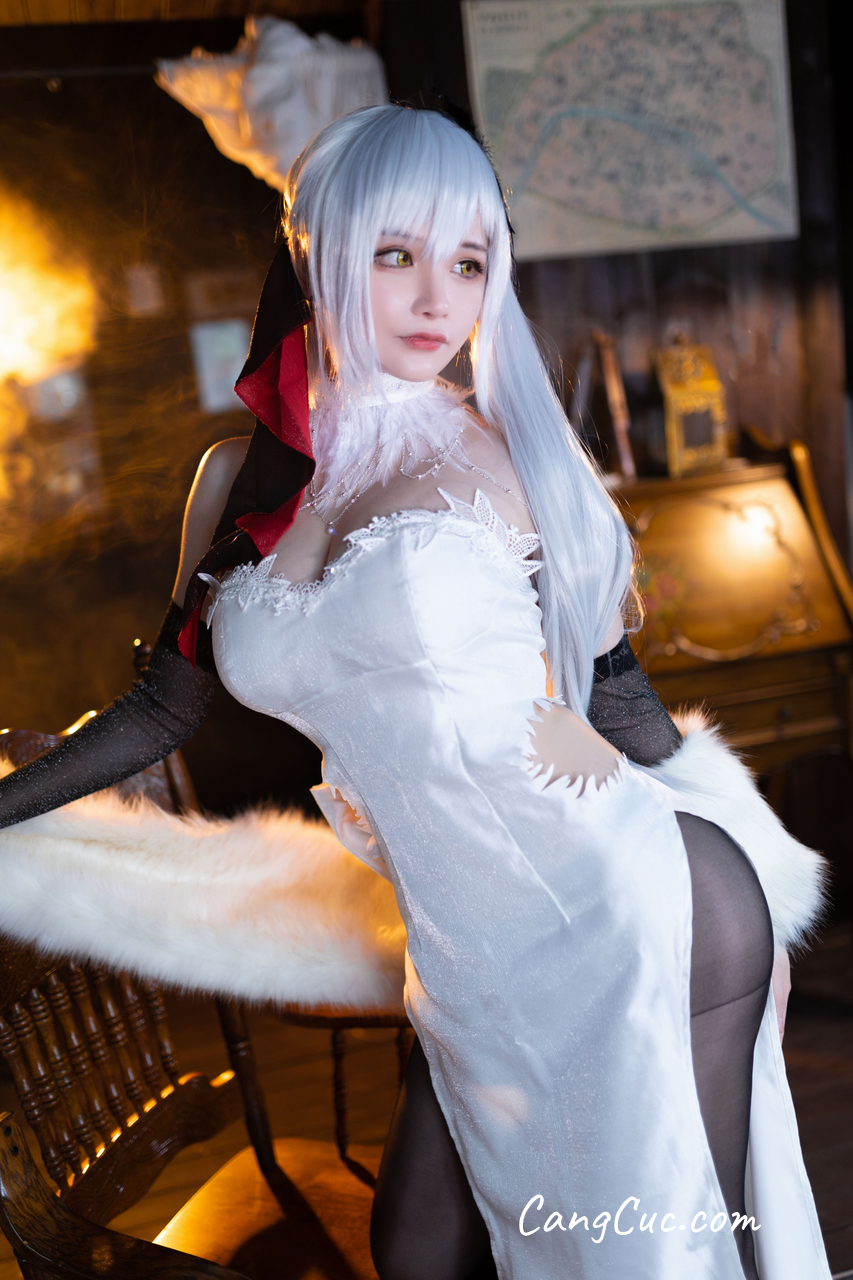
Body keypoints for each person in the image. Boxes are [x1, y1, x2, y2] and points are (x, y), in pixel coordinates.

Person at [0, 104, 829, 1280]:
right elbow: (160, 710)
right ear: (317, 255)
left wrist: (756, 874)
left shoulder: (519, 458)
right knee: (421, 1246)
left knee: (666, 1254)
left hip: (631, 900)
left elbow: (620, 706)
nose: (439, 298)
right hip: (463, 946)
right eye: (397, 254)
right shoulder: (237, 480)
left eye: (470, 262)